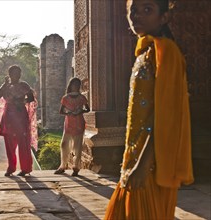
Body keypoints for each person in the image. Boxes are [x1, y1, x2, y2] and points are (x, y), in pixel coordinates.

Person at [104, 0, 194, 219]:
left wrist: (144, 165)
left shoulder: (167, 52)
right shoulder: (145, 52)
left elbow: (167, 115)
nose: (137, 15)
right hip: (133, 157)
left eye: (147, 10)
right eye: (133, 10)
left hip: (152, 164)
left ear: (164, 17)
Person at [0, 65, 37, 177]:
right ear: (9, 74)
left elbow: (31, 98)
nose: (16, 75)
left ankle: (25, 168)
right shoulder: (6, 87)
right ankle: (11, 168)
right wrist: (4, 85)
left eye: (18, 73)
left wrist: (21, 101)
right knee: (9, 143)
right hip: (9, 116)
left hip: (20, 114)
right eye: (14, 73)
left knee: (23, 142)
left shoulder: (24, 85)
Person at [54, 77, 90, 176]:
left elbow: (88, 109)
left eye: (78, 85)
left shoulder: (82, 98)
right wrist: (69, 113)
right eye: (74, 85)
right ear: (70, 86)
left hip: (79, 122)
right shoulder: (65, 98)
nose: (76, 86)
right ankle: (63, 165)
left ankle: (76, 167)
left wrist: (80, 111)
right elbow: (61, 111)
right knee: (64, 144)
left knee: (78, 146)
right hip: (69, 123)